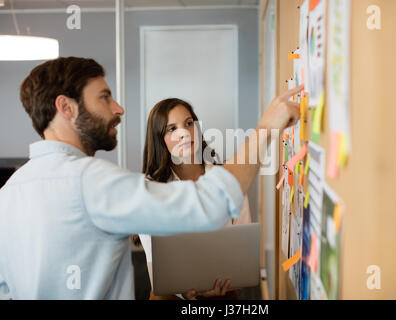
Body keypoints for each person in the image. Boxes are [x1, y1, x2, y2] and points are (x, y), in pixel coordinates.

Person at [0, 57, 302, 299]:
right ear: (65, 107)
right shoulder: (91, 181)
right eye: (104, 98)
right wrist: (266, 128)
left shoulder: (9, 192)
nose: (119, 109)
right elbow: (210, 204)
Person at [137, 98, 251, 300]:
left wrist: (227, 280)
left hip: (222, 287)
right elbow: (156, 262)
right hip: (171, 293)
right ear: (159, 138)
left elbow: (243, 242)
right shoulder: (149, 188)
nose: (184, 133)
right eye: (172, 128)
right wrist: (189, 291)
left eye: (188, 123)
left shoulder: (227, 179)